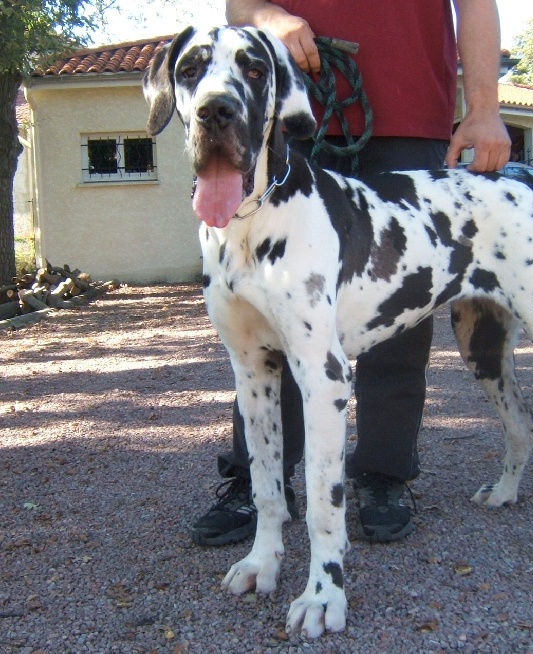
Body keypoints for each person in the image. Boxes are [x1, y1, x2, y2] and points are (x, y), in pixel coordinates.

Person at [190, 0, 511, 546]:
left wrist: (483, 106)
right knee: (270, 320)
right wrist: (270, 19)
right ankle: (260, 483)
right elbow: (240, 3)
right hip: (288, 107)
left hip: (410, 113)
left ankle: (383, 474)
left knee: (399, 323)